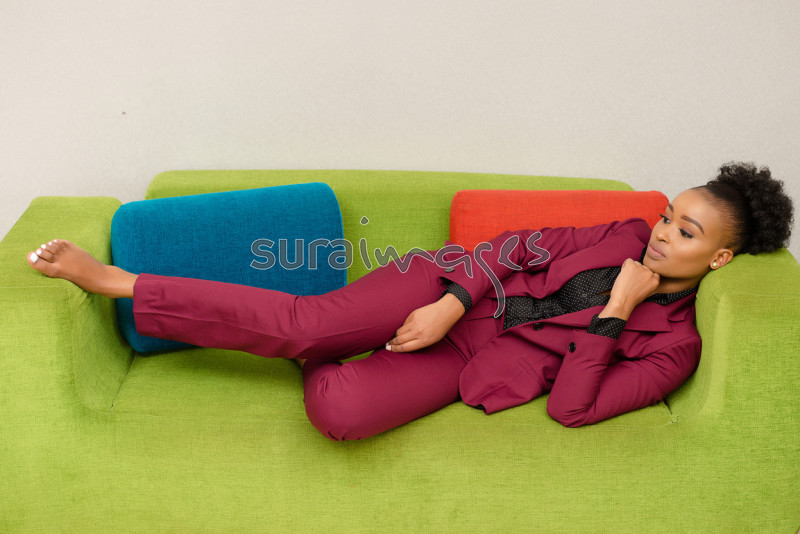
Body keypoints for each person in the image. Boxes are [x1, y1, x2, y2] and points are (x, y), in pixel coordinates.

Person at [25, 162, 794, 440]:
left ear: (720, 258)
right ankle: (120, 281)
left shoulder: (675, 346)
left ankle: (318, 341)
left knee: (341, 413)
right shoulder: (622, 229)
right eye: (668, 216)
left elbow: (573, 408)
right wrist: (452, 302)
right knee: (304, 323)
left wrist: (616, 313)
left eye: (685, 232)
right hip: (448, 287)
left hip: (474, 363)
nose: (661, 234)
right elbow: (513, 249)